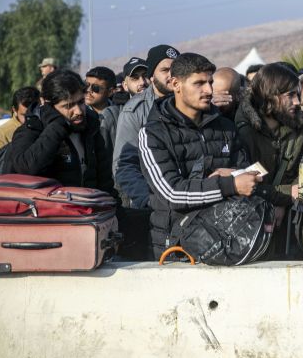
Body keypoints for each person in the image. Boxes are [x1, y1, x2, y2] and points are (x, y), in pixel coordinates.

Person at [138, 53, 254, 259]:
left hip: (226, 241)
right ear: (176, 84)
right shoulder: (153, 134)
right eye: (199, 83)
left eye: (210, 82)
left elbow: (248, 175)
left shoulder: (226, 127)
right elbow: (172, 193)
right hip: (176, 248)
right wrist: (229, 185)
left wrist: (234, 174)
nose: (208, 90)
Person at [235, 63, 303, 259]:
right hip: (249, 220)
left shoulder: (302, 125)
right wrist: (281, 198)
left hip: (291, 219)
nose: (297, 102)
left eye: (297, 95)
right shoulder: (242, 130)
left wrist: (282, 203)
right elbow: (244, 183)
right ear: (270, 96)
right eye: (290, 96)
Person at [5, 70, 115, 194]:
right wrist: (57, 126)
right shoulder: (32, 129)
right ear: (48, 105)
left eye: (80, 102)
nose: (78, 111)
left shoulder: (91, 127)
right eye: (68, 106)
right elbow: (25, 168)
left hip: (89, 204)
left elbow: (105, 181)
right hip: (48, 205)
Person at [113, 44, 179, 209]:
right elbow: (124, 166)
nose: (171, 75)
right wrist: (149, 201)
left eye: (176, 69)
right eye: (165, 70)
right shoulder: (134, 110)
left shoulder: (191, 104)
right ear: (152, 76)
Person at [99, 58, 148, 161]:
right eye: (135, 78)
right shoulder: (113, 115)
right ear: (125, 86)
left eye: (145, 76)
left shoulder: (164, 109)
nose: (142, 82)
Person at [0, 86, 40, 155]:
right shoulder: (0, 137)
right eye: (25, 115)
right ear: (14, 110)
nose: (31, 118)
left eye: (35, 114)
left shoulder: (47, 127)